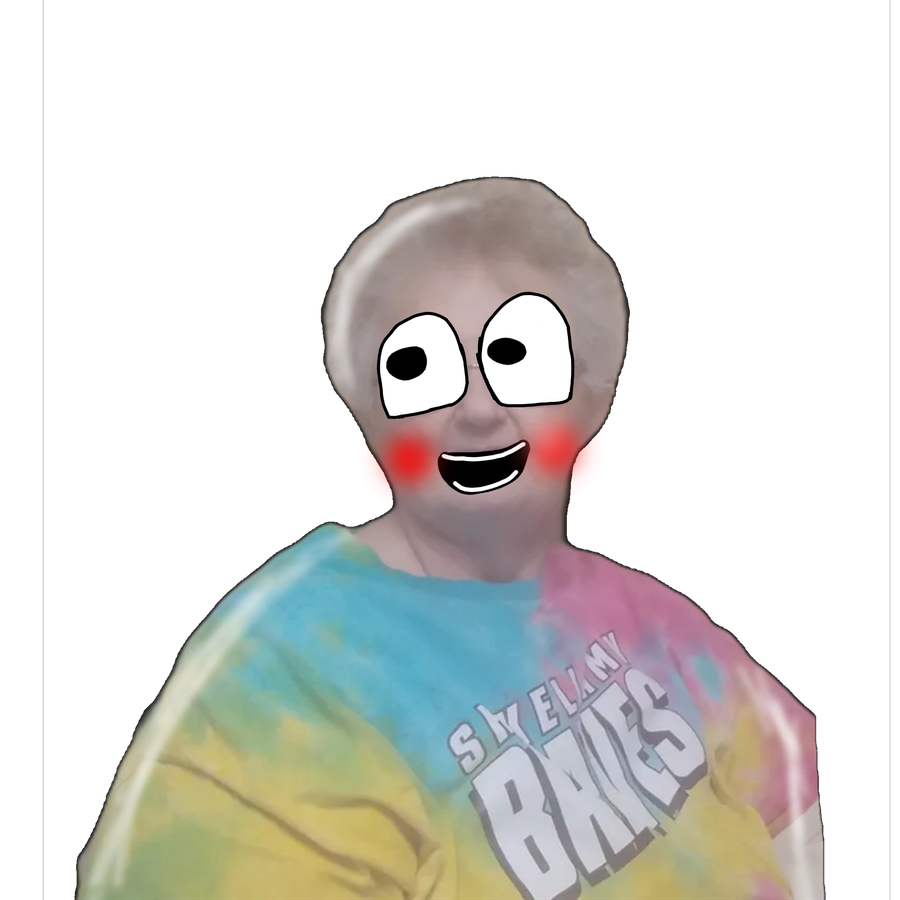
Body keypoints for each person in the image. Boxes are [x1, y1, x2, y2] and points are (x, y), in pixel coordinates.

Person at [77, 178, 822, 899]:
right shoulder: (282, 671)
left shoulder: (636, 607)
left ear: (588, 399)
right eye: (421, 368)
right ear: (370, 413)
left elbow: (792, 789)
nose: (478, 411)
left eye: (518, 357)